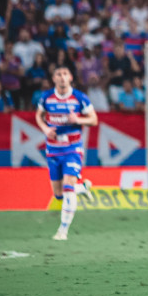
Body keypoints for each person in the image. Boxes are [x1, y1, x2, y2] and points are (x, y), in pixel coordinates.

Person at [35, 66, 97, 241]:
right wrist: (45, 129)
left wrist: (78, 119)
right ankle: (82, 188)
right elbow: (39, 116)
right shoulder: (46, 97)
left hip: (72, 148)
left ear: (70, 77)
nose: (62, 77)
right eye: (58, 74)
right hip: (53, 149)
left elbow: (94, 119)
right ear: (53, 79)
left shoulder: (79, 98)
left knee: (68, 187)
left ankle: (63, 231)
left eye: (65, 74)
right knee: (58, 194)